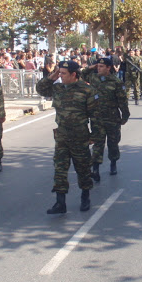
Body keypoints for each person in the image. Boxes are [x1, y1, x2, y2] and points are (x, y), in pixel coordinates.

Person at [36, 60, 99, 214]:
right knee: (60, 169)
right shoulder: (58, 88)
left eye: (64, 74)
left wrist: (94, 136)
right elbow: (41, 89)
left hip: (80, 136)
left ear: (74, 74)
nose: (61, 76)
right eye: (60, 74)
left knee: (83, 169)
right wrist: (53, 75)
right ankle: (60, 202)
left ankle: (85, 198)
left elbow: (95, 116)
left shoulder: (87, 90)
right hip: (62, 136)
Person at [83, 57, 130, 180]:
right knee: (98, 143)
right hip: (96, 118)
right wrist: (91, 67)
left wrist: (125, 115)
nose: (99, 68)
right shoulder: (93, 78)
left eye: (101, 66)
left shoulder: (116, 82)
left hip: (112, 118)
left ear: (108, 68)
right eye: (98, 66)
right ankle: (96, 168)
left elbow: (122, 101)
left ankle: (113, 163)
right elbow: (82, 74)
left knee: (113, 143)